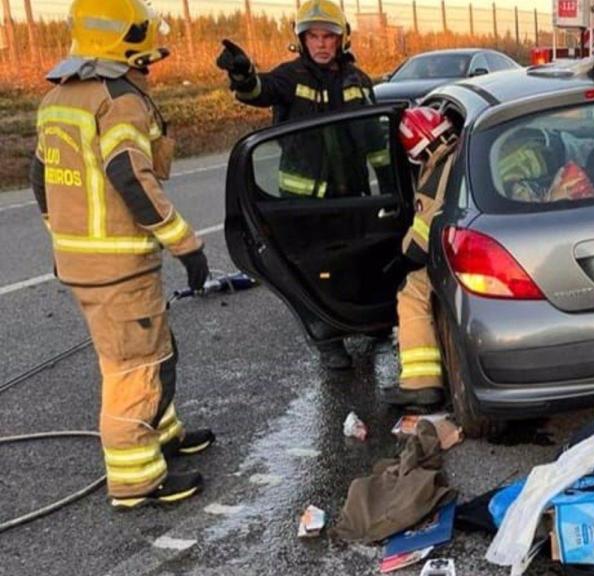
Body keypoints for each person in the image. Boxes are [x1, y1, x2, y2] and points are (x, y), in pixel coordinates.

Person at [29, 0, 214, 508]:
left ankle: (164, 432)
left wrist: (63, 237)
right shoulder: (117, 101)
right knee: (133, 368)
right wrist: (187, 246)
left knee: (153, 346)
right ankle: (137, 479)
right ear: (128, 43)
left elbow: (39, 178)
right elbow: (132, 177)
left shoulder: (58, 99)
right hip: (119, 264)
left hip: (86, 263)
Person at [216, 0, 390, 369]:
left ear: (342, 40)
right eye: (314, 36)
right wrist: (244, 76)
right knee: (316, 269)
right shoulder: (291, 77)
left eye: (329, 36)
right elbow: (259, 91)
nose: (322, 44)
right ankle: (328, 338)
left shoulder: (357, 81)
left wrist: (392, 187)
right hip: (304, 203)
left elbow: (375, 139)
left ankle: (368, 321)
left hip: (351, 197)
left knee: (360, 259)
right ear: (302, 40)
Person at [382, 107, 460, 408]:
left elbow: (418, 246)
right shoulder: (467, 148)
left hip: (453, 254)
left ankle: (421, 384)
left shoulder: (434, 175)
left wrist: (398, 262)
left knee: (411, 291)